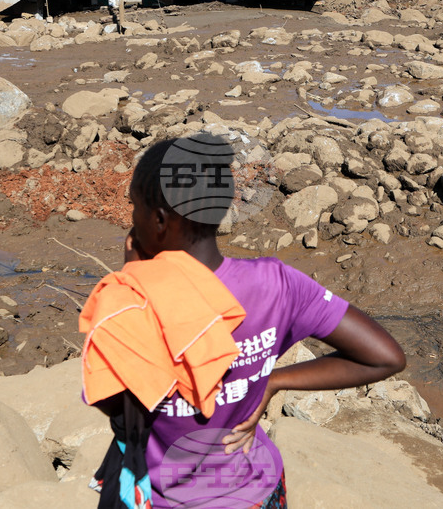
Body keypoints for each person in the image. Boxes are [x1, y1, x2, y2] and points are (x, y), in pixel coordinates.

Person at [85, 135, 406, 508]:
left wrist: (134, 280)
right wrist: (272, 380)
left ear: (158, 220)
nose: (131, 219)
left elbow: (113, 405)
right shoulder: (277, 282)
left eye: (135, 207)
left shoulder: (129, 303)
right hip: (256, 490)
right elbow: (385, 357)